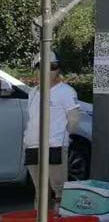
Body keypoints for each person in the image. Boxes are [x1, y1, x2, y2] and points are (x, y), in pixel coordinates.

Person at [23, 54, 80, 205]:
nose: (50, 71)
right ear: (36, 69)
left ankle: (60, 216)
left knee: (59, 188)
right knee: (39, 190)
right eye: (44, 66)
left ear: (58, 69)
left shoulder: (66, 91)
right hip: (32, 145)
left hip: (55, 145)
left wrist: (63, 137)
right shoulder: (33, 93)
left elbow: (74, 119)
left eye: (54, 66)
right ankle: (39, 218)